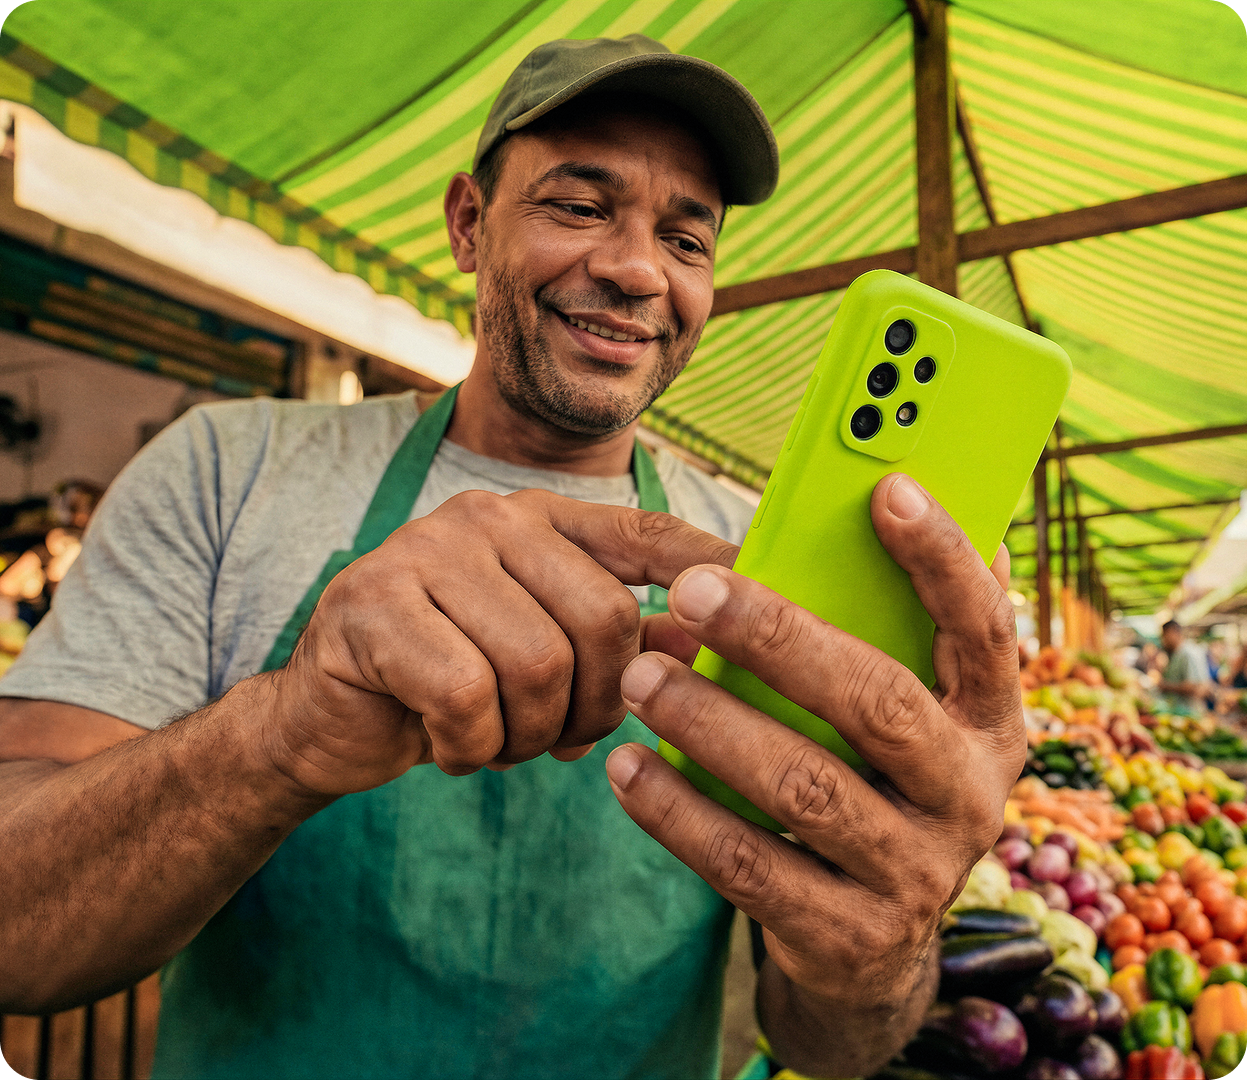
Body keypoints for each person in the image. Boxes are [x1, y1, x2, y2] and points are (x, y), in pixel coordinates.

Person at [0, 35, 1024, 1080]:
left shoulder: (754, 562)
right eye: (578, 208)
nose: (635, 270)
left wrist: (884, 952)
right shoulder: (230, 468)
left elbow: (821, 1040)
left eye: (685, 239)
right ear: (465, 222)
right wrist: (279, 732)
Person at [1158, 619, 1211, 716]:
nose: (1163, 640)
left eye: (1164, 635)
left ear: (1173, 632)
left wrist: (1166, 686)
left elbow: (1195, 687)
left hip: (1190, 712)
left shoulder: (1187, 654)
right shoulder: (1177, 653)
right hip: (1179, 711)